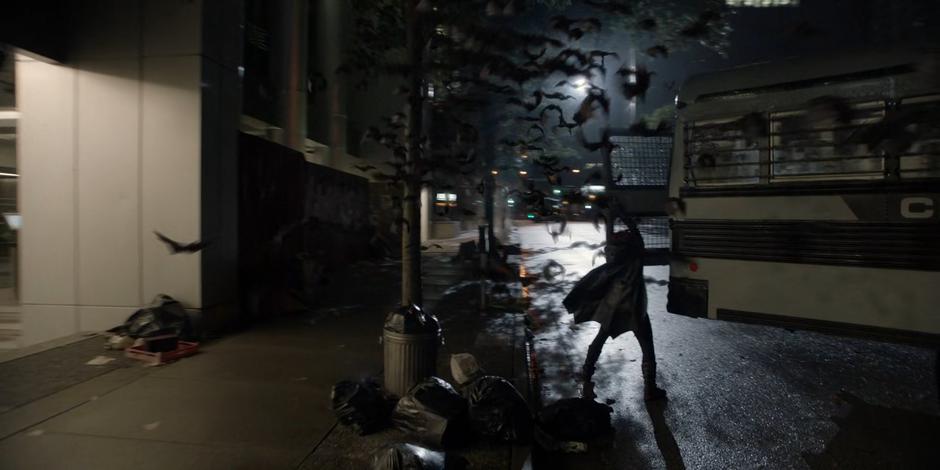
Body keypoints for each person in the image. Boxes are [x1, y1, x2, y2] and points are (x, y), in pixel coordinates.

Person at [562, 218, 666, 401]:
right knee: (647, 347)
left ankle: (586, 375)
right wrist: (628, 219)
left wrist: (619, 213)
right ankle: (650, 389)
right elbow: (637, 237)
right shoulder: (635, 256)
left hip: (613, 307)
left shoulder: (612, 257)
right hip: (634, 308)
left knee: (600, 339)